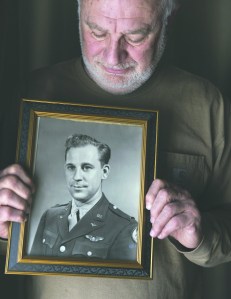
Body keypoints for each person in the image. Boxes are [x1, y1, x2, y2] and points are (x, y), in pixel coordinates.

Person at [0, 0, 231, 298]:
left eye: (135, 37)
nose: (113, 55)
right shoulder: (32, 93)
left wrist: (199, 235)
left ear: (168, 20)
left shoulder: (208, 104)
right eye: (96, 32)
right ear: (78, 15)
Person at [30, 133, 137, 260]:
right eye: (71, 167)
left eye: (86, 167)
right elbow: (31, 270)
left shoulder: (123, 227)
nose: (76, 177)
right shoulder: (50, 216)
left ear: (104, 172)